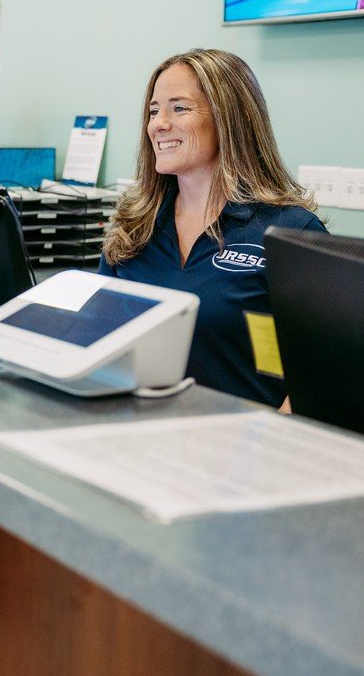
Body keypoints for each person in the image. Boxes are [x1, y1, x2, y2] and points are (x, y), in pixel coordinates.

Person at [98, 49, 327, 409]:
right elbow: (100, 339)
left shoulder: (290, 231)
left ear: (229, 119)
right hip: (135, 436)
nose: (158, 123)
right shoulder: (134, 225)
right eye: (154, 110)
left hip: (242, 449)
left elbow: (323, 372)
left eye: (179, 108)